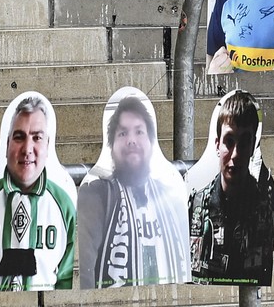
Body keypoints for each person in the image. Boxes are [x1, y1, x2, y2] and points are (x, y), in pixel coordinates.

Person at [74, 87, 190, 288]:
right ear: (111, 144)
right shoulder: (95, 194)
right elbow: (87, 277)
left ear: (151, 140)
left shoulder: (171, 193)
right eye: (122, 133)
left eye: (139, 131)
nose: (131, 140)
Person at [0, 93, 75, 292]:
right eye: (19, 137)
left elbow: (66, 287)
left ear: (48, 146)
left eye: (37, 137)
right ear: (7, 146)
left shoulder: (64, 208)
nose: (27, 149)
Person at [187, 91, 274, 286]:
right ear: (217, 145)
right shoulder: (197, 205)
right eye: (229, 141)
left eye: (244, 142)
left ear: (253, 146)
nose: (235, 154)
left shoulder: (264, 207)